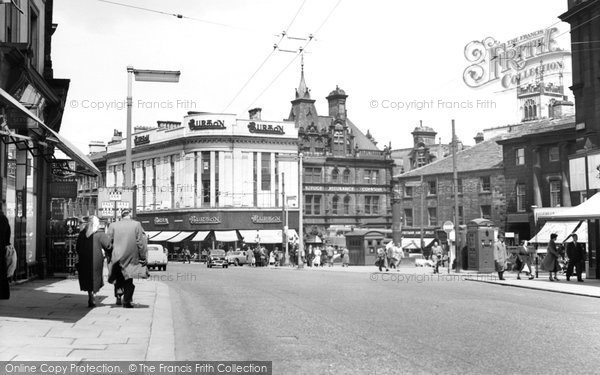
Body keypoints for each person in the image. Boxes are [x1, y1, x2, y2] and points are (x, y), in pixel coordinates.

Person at [107, 210, 147, 308]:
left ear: (121, 216)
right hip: (131, 256)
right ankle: (127, 301)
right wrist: (143, 256)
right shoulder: (137, 224)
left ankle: (118, 296)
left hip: (117, 256)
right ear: (130, 215)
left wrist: (109, 256)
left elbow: (108, 242)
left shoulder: (113, 225)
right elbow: (140, 242)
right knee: (129, 278)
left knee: (118, 276)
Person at [76, 216, 112, 307]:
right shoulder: (100, 234)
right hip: (96, 259)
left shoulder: (82, 234)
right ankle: (94, 295)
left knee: (88, 277)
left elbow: (77, 248)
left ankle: (90, 295)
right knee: (95, 277)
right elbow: (108, 246)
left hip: (84, 259)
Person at [0, 203, 12, 300]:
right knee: (3, 271)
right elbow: (8, 232)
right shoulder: (4, 219)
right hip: (2, 247)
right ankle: (4, 293)